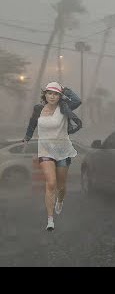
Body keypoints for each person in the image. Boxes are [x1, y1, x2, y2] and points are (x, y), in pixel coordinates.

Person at [23, 82, 82, 231]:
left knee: (61, 186)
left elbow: (77, 100)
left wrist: (65, 89)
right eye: (49, 93)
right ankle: (50, 220)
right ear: (45, 94)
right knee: (51, 183)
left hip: (62, 150)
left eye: (56, 94)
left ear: (59, 96)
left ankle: (60, 201)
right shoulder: (38, 109)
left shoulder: (64, 108)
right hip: (45, 151)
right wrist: (27, 137)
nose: (52, 96)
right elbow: (32, 124)